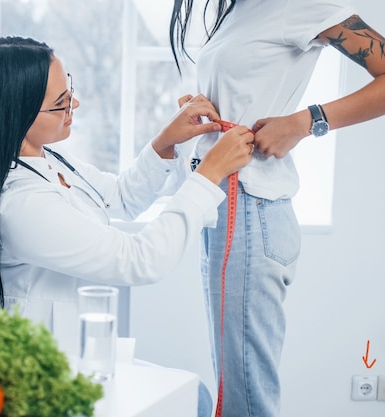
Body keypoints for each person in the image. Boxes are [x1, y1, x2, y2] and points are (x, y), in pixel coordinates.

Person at [0, 37, 252, 415]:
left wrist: (164, 143)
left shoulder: (48, 161)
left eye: (69, 90)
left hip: (74, 356)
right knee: (195, 400)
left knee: (196, 396)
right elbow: (139, 260)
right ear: (16, 114)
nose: (74, 104)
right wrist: (208, 177)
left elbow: (119, 197)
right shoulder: (20, 204)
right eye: (61, 102)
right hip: (45, 373)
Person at [169, 1, 385, 416]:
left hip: (251, 209)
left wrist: (307, 121)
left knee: (245, 400)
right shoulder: (241, 9)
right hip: (224, 203)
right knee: (234, 391)